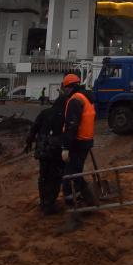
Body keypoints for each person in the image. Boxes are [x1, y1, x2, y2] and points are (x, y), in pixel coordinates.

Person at [60, 73, 97, 232]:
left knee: (71, 171)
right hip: (86, 140)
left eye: (65, 88)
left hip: (77, 142)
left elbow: (72, 125)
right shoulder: (87, 98)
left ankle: (77, 199)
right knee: (75, 170)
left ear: (69, 87)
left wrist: (66, 147)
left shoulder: (75, 100)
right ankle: (81, 197)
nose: (64, 91)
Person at [25, 94, 66, 215]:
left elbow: (34, 128)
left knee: (43, 176)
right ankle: (50, 204)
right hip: (56, 151)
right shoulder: (64, 115)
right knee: (55, 177)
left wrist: (28, 143)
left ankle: (43, 202)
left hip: (42, 149)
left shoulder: (45, 112)